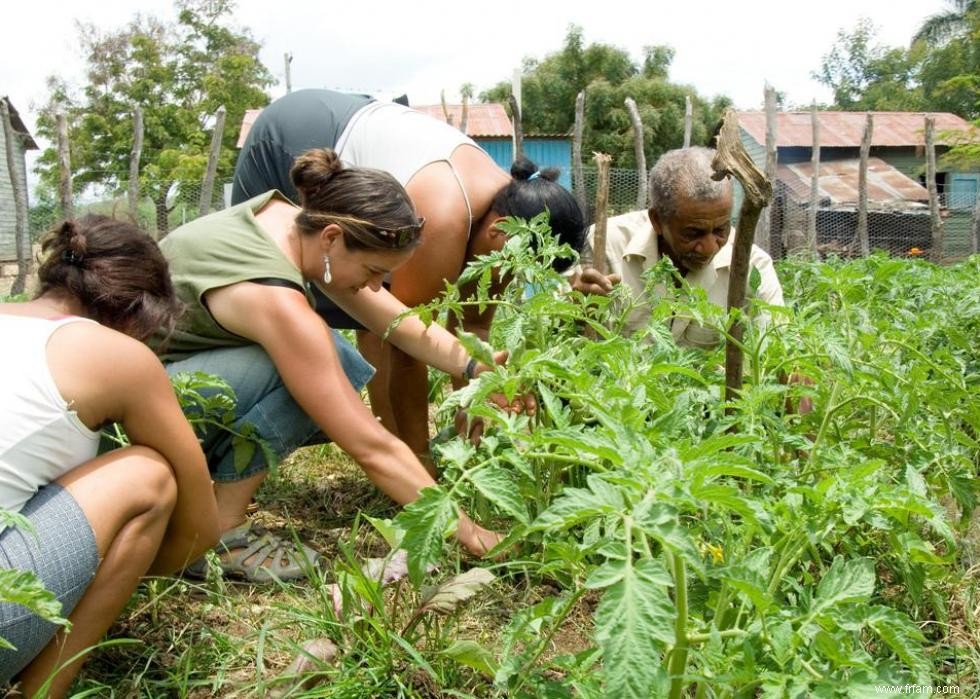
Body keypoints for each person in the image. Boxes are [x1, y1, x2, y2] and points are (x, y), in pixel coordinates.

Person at [162, 148, 514, 584]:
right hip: (124, 428)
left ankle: (202, 496)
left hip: (152, 391)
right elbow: (371, 447)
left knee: (333, 357)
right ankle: (217, 535)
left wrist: (478, 368)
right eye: (372, 271)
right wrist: (471, 533)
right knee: (323, 361)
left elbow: (398, 323)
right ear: (332, 238)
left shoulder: (290, 221)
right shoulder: (275, 297)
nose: (373, 287)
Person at [233, 89, 586, 467]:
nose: (512, 278)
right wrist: (423, 464)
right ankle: (395, 459)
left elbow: (473, 333)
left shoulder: (507, 219)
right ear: (499, 231)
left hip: (346, 123)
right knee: (275, 293)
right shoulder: (447, 215)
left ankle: (390, 452)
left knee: (374, 301)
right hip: (291, 140)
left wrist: (476, 416)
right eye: (516, 268)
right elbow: (407, 340)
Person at [0, 216, 219, 697]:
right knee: (149, 476)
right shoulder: (116, 354)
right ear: (138, 312)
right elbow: (201, 526)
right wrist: (113, 569)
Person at [572, 146, 784, 345]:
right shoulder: (606, 244)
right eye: (693, 233)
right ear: (657, 220)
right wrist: (576, 310)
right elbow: (559, 332)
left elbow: (780, 346)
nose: (710, 247)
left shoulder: (753, 266)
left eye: (721, 230)